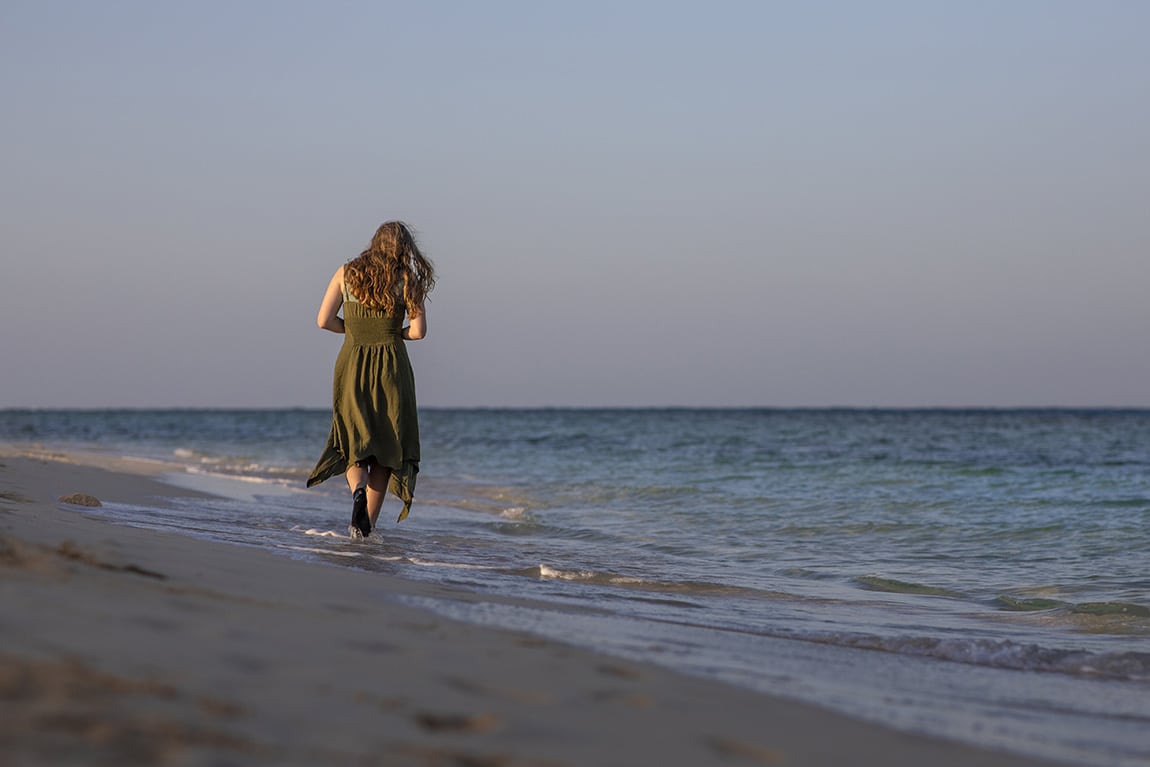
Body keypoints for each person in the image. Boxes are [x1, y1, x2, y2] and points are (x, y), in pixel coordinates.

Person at [307, 220, 436, 538]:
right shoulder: (407, 279)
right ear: (405, 248)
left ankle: (357, 492)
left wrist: (354, 331)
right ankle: (365, 528)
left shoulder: (345, 273)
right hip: (392, 368)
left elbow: (323, 320)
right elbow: (418, 332)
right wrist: (394, 333)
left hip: (352, 363)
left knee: (353, 442)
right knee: (387, 449)